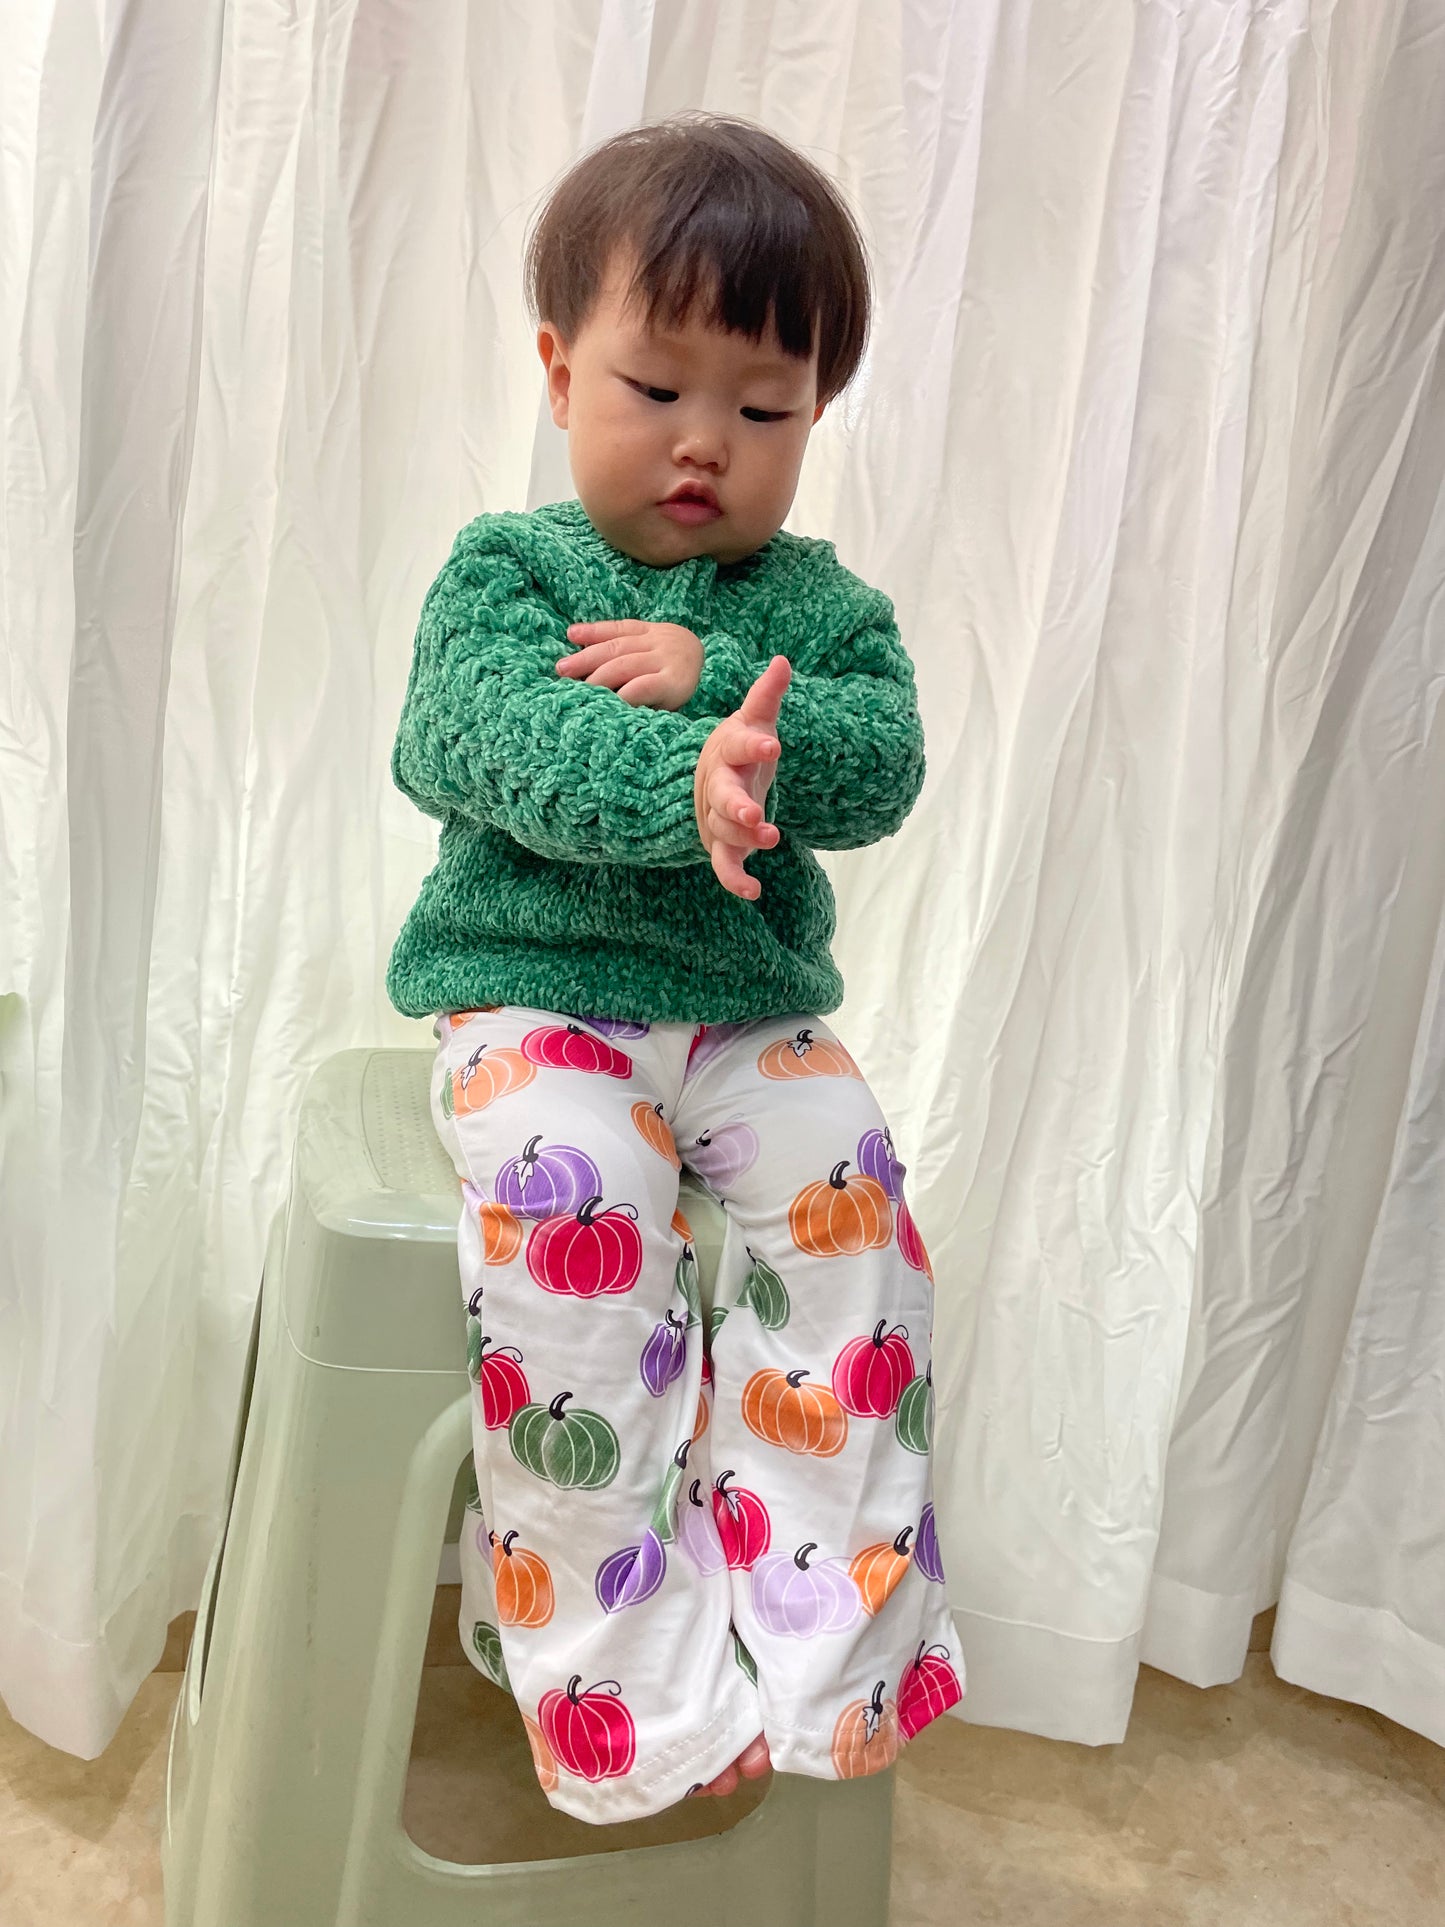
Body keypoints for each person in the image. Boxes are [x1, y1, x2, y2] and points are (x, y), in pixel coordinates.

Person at [387, 110, 965, 1825]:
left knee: (860, 1223)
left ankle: (818, 1660)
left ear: (813, 417)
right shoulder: (511, 568)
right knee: (577, 1267)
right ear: (561, 372)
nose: (706, 441)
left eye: (765, 409)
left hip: (745, 1021)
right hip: (533, 1000)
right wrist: (680, 778)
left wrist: (727, 693)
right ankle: (627, 1704)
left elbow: (882, 759)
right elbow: (470, 736)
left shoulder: (817, 608)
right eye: (656, 389)